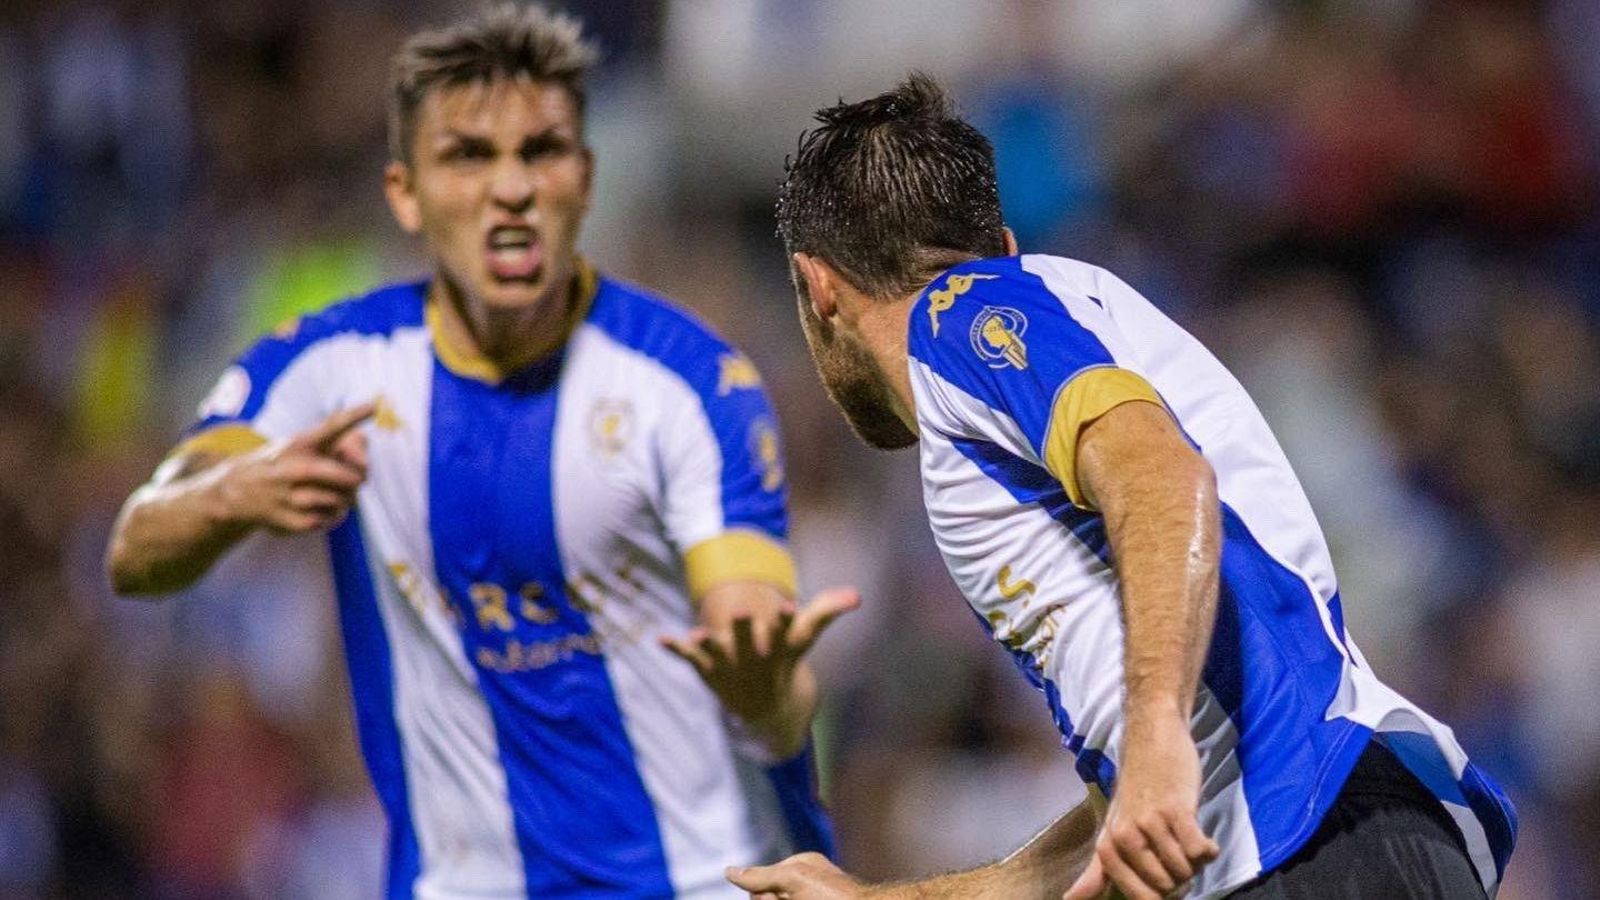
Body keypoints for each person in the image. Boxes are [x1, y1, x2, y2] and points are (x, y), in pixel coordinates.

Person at [105, 5, 854, 897]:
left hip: (698, 880)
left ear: (585, 175)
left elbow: (764, 665)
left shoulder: (687, 385)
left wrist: (766, 690)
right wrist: (230, 497)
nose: (512, 188)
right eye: (469, 155)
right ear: (405, 192)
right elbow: (134, 551)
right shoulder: (330, 370)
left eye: (541, 151)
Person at [729, 74, 1517, 899]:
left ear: (815, 286)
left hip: (1308, 845)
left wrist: (1155, 738)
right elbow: (1137, 824)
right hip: (1319, 837)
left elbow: (1160, 476)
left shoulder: (959, 317)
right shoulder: (1043, 337)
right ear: (1002, 243)